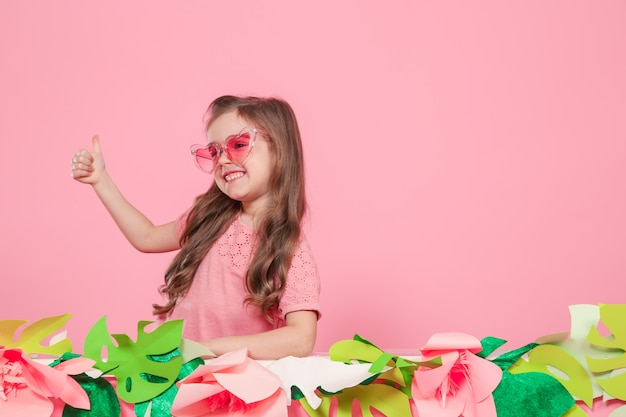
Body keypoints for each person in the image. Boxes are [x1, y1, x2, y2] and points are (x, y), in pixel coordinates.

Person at [70, 95, 321, 360]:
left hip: (235, 388)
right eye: (215, 152)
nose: (223, 160)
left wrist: (210, 349)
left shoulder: (289, 249)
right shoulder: (208, 218)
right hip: (179, 374)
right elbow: (146, 236)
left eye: (238, 144)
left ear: (280, 150)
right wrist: (101, 181)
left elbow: (301, 339)